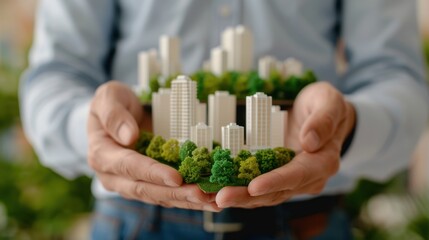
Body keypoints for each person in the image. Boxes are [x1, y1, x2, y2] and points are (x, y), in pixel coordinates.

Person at [20, 0, 429, 239]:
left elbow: (395, 75)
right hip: (136, 218)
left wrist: (347, 126)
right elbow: (56, 73)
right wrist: (92, 131)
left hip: (308, 220)